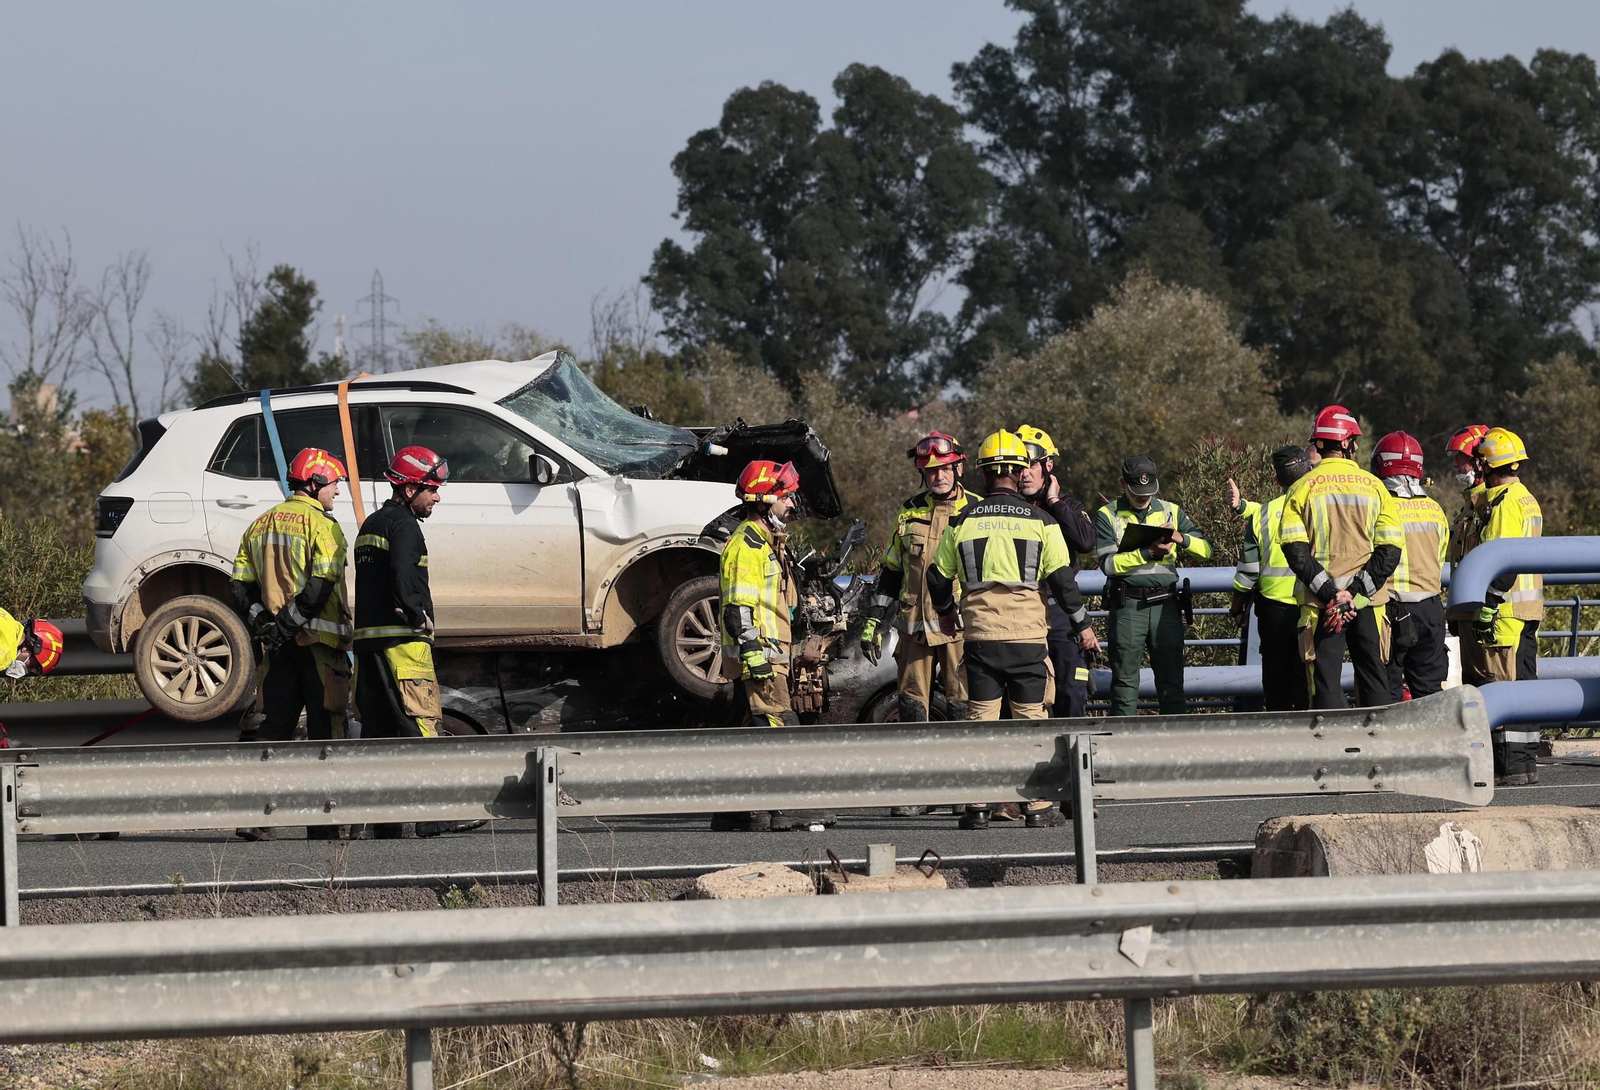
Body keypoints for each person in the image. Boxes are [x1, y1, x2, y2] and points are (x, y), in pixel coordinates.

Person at [927, 430, 1099, 830]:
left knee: (981, 721)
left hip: (981, 641)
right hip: (1027, 641)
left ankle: (978, 807)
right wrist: (1084, 628)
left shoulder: (962, 520)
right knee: (1030, 721)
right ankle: (1037, 807)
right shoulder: (1042, 521)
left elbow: (937, 576)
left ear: (983, 476)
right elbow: (1063, 583)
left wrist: (948, 613)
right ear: (1020, 471)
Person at [354, 445, 485, 838]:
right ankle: (436, 817)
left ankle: (386, 826)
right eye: (431, 488)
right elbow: (403, 575)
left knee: (380, 737)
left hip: (368, 648)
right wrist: (418, 615)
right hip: (403, 647)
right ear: (408, 488)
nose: (437, 496)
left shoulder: (371, 525)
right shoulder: (405, 526)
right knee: (422, 727)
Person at [231, 447, 355, 841]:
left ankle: (256, 818)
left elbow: (239, 584)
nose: (337, 491)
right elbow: (321, 584)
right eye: (334, 484)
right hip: (318, 645)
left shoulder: (259, 524)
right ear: (315, 483)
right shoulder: (324, 526)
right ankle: (326, 824)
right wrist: (290, 623)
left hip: (277, 649)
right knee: (328, 731)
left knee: (273, 732)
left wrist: (264, 623)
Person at [712, 459, 833, 831]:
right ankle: (790, 808)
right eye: (786, 497)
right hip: (759, 657)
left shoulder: (767, 543)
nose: (793, 505)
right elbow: (737, 608)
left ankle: (733, 811)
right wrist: (753, 655)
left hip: (767, 654)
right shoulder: (746, 546)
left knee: (746, 729)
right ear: (764, 500)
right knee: (781, 723)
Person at [861, 432, 971, 819]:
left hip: (959, 628)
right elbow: (891, 571)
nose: (937, 476)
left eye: (944, 469)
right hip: (914, 628)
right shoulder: (909, 512)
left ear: (958, 466)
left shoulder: (976, 510)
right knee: (911, 705)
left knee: (963, 704)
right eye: (930, 471)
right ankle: (916, 789)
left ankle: (963, 789)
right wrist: (874, 619)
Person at [1278, 407, 1404, 709]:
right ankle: (1377, 745)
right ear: (1346, 443)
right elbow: (1390, 551)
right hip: (1367, 603)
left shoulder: (1300, 489)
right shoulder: (1376, 487)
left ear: (1318, 443)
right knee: (1374, 674)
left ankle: (1330, 749)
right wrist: (1355, 594)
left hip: (1321, 604)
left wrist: (1332, 595)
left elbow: (1296, 552)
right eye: (1354, 441)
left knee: (1324, 678)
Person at [1094, 455, 1211, 716]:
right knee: (1124, 685)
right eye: (1137, 492)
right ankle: (1123, 748)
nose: (1143, 497)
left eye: (1148, 492)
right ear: (1123, 484)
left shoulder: (1172, 510)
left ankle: (1176, 750)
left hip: (1167, 605)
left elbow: (1206, 551)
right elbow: (1108, 565)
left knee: (1172, 684)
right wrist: (1148, 553)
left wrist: (1179, 537)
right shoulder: (1106, 514)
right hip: (1128, 606)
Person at [1465, 427, 1544, 785]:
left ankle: (1509, 768)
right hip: (1528, 609)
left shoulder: (1505, 504)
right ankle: (1525, 765)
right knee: (1525, 687)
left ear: (1486, 465)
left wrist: (1488, 606)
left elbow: (1501, 558)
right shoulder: (1525, 497)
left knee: (1502, 686)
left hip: (1506, 610)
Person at [1015, 424, 1098, 718]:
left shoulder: (1068, 506)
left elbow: (1086, 542)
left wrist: (1054, 503)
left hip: (1061, 613)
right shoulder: (1006, 508)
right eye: (1019, 465)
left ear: (1048, 466)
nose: (1025, 473)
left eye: (1032, 465)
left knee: (1070, 691)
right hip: (1019, 612)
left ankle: (1073, 760)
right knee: (1023, 698)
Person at [1228, 446, 1313, 711]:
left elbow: (1248, 570)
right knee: (1307, 680)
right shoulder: (1320, 505)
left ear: (1277, 480)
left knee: (1276, 684)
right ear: (1309, 471)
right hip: (1311, 606)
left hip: (1274, 611)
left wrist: (1238, 604)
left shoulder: (1263, 514)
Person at [1371, 432, 1450, 702]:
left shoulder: (1381, 508)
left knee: (1387, 691)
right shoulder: (1435, 510)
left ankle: (1390, 745)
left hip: (1391, 612)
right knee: (1430, 694)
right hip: (1430, 610)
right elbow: (1439, 558)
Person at [0, 612, 63, 679]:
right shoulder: (4, 656)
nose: (27, 671)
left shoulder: (7, 618)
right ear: (25, 650)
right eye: (30, 666)